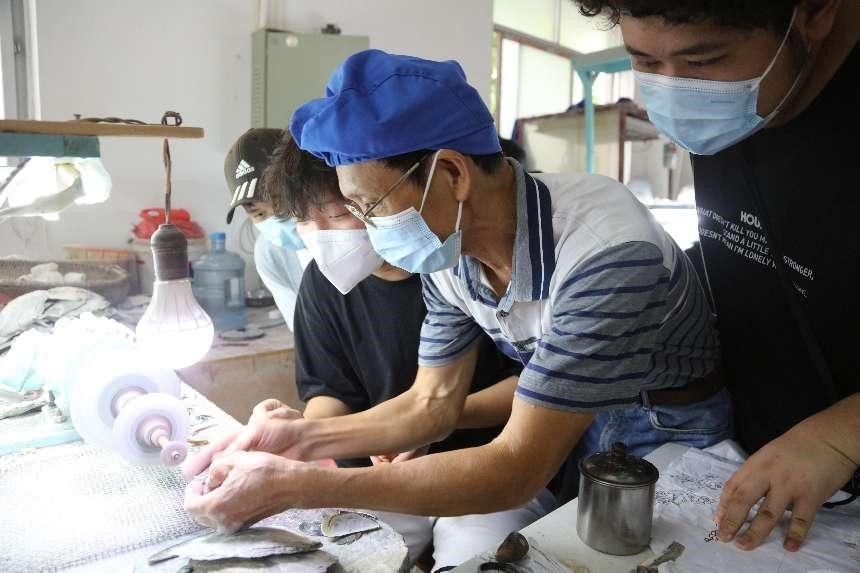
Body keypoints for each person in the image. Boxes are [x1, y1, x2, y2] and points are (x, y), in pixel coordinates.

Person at [183, 50, 731, 537]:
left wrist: (298, 486)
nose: (367, 229)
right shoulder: (449, 249)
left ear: (452, 174)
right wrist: (298, 439)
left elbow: (516, 468)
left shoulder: (605, 252)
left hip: (671, 432)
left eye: (368, 206)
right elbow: (431, 403)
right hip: (584, 423)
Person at [571, 0, 860, 553]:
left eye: (703, 61)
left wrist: (840, 436)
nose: (674, 90)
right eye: (644, 62)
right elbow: (754, 245)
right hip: (761, 462)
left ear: (814, 14)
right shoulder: (743, 106)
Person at [254, 132, 552, 571]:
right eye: (302, 220)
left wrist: (423, 427)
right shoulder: (323, 283)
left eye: (339, 214)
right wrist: (314, 432)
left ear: (375, 197)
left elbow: (530, 385)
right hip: (379, 474)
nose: (320, 237)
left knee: (479, 559)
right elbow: (329, 390)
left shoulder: (462, 267)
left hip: (486, 465)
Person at [224, 128, 307, 330]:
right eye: (259, 214)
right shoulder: (270, 253)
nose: (276, 220)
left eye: (279, 204)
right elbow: (305, 332)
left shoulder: (347, 233)